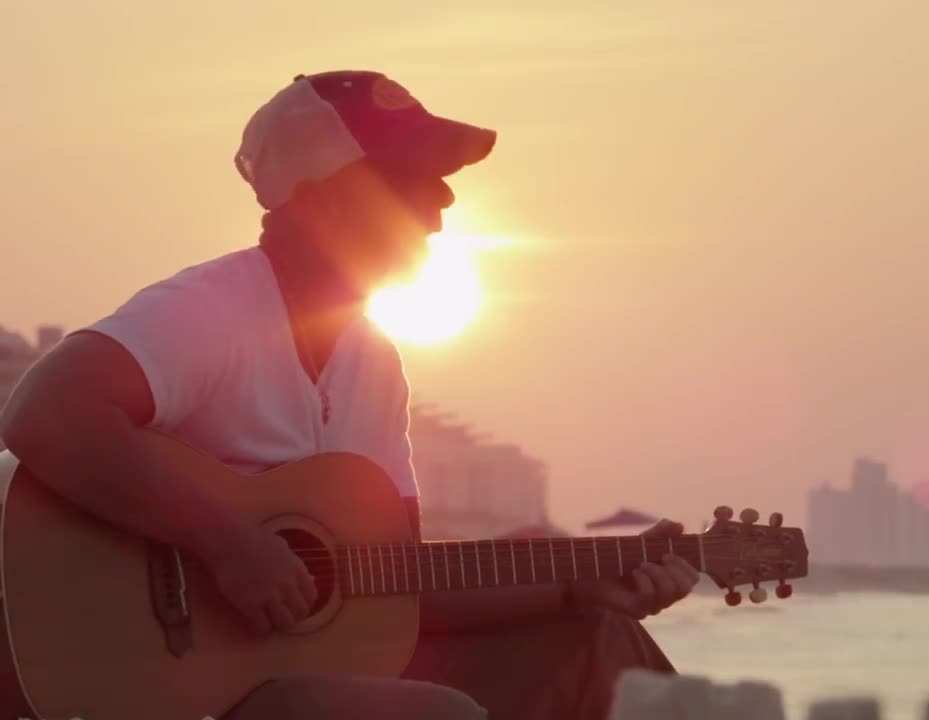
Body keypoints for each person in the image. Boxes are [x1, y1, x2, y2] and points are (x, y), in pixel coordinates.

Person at [0, 70, 700, 720]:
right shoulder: (208, 312)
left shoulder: (373, 362)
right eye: (414, 177)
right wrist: (230, 545)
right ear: (328, 197)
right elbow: (45, 413)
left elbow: (394, 589)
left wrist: (580, 583)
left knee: (600, 643)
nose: (445, 200)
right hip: (178, 690)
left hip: (301, 671)